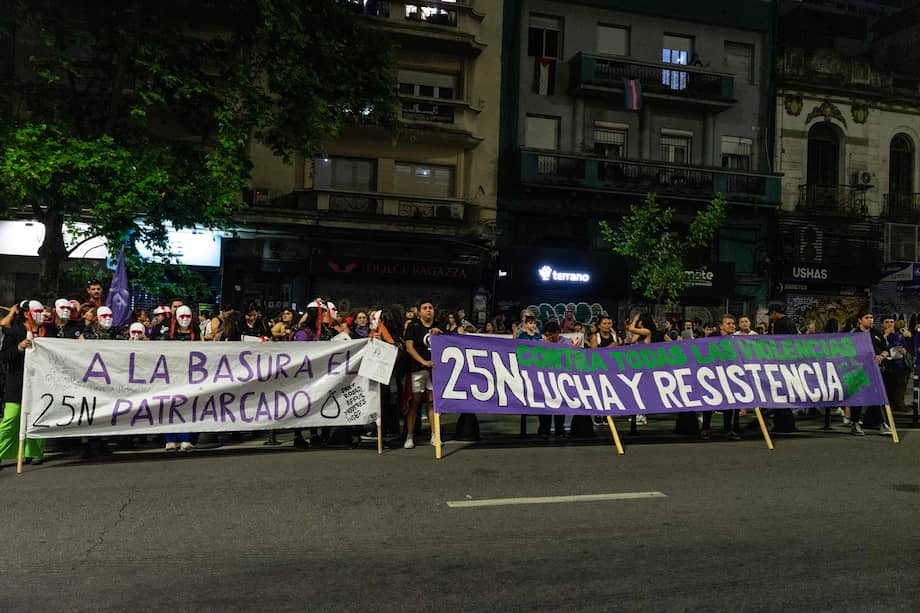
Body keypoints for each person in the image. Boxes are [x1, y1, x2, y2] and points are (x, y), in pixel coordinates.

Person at [0, 301, 50, 467]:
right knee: (11, 418)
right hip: (17, 382)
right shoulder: (15, 331)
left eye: (42, 311)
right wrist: (19, 347)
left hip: (40, 382)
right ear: (27, 313)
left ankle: (33, 452)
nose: (42, 314)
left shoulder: (48, 331)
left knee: (37, 418)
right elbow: (4, 356)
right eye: (38, 311)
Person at [403, 300, 441, 449]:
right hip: (417, 369)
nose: (428, 310)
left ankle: (434, 435)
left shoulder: (438, 327)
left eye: (430, 307)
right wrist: (423, 362)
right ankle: (409, 436)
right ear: (419, 312)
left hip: (435, 370)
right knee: (414, 402)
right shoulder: (413, 327)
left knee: (433, 402)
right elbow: (409, 348)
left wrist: (441, 334)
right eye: (425, 308)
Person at [848, 309, 890, 436]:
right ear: (860, 320)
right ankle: (855, 423)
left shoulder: (876, 333)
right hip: (859, 371)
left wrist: (881, 356)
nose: (870, 320)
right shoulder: (854, 334)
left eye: (871, 317)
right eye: (867, 317)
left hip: (875, 370)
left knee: (877, 396)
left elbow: (886, 350)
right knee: (858, 397)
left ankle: (881, 423)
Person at [161, 305, 197, 451]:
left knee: (186, 407)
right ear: (176, 318)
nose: (185, 319)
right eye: (182, 316)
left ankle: (185, 438)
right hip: (170, 375)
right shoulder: (167, 335)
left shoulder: (196, 334)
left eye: (188, 316)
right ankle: (170, 439)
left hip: (189, 376)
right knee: (169, 407)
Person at [700, 315, 741, 440]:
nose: (732, 326)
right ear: (721, 326)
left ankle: (728, 430)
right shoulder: (713, 337)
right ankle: (705, 429)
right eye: (729, 323)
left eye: (733, 323)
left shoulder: (735, 339)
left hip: (729, 374)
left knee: (730, 402)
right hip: (713, 374)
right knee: (710, 402)